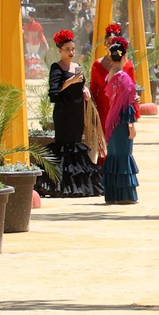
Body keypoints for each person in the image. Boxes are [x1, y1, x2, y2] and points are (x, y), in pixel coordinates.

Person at [39, 29, 102, 198]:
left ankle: (78, 185)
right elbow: (54, 92)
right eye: (67, 49)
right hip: (63, 112)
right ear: (59, 50)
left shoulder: (78, 67)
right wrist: (70, 81)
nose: (71, 53)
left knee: (75, 143)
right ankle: (60, 184)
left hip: (77, 111)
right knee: (64, 145)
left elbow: (80, 85)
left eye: (73, 49)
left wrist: (84, 89)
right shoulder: (56, 68)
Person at [100, 36, 140, 205]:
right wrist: (131, 125)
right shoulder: (125, 78)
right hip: (122, 122)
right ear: (124, 57)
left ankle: (112, 194)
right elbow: (127, 105)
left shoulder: (110, 77)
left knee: (113, 156)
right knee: (124, 155)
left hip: (111, 122)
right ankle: (125, 195)